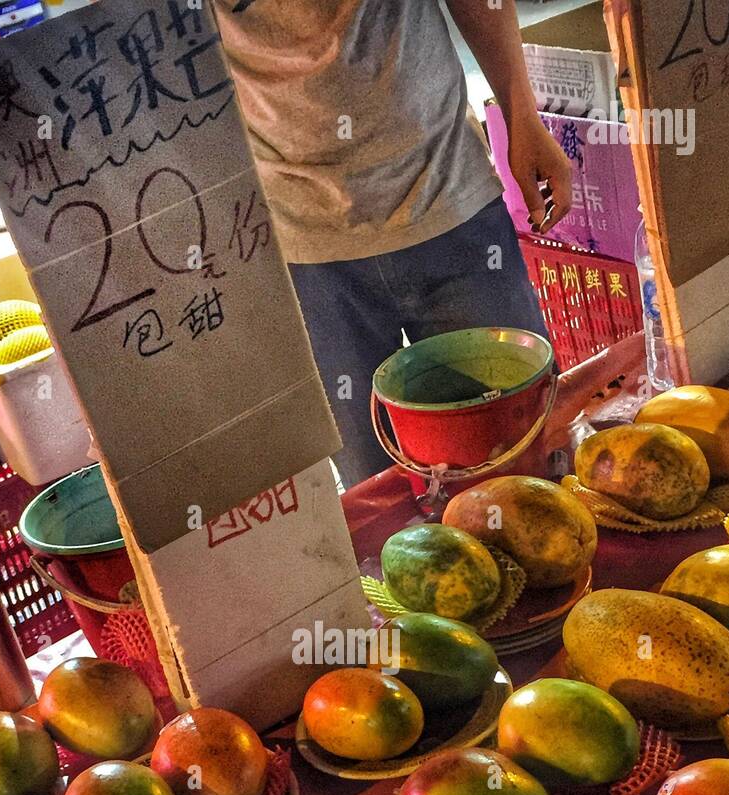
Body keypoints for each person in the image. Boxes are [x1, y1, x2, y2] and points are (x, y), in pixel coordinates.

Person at [213, 1, 572, 488]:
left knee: (530, 460)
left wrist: (522, 116)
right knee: (377, 496)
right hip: (302, 239)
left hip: (449, 197)